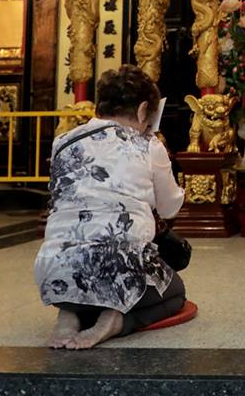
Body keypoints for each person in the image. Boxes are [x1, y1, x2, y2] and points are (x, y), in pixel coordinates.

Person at [34, 65, 186, 350]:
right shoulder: (147, 145)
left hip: (54, 269)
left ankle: (68, 312)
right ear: (144, 111)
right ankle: (118, 321)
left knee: (80, 264)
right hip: (117, 270)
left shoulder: (63, 141)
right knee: (176, 292)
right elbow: (169, 208)